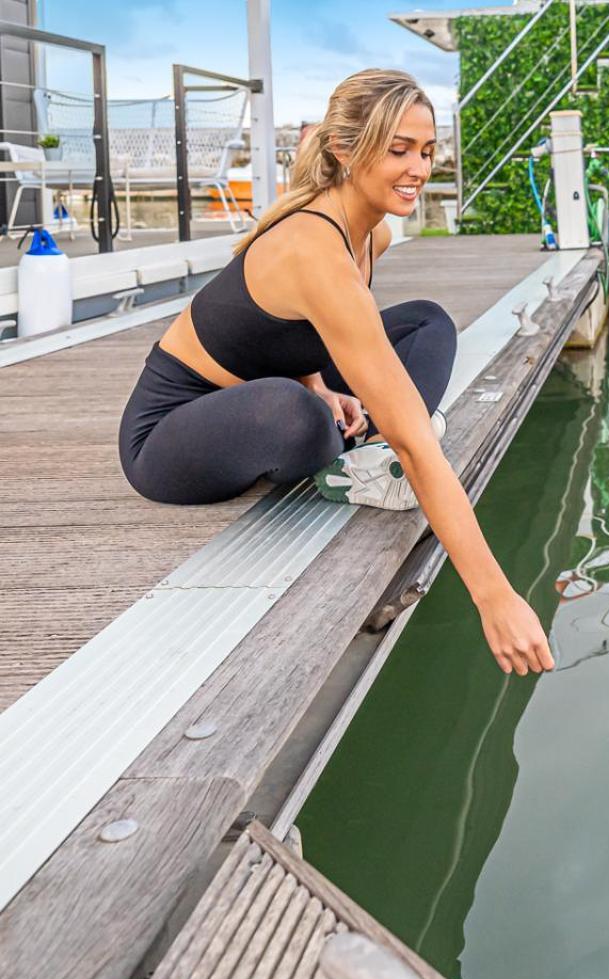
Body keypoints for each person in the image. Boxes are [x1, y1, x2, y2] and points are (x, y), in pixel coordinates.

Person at [117, 69, 554, 676]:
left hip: (267, 389)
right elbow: (408, 436)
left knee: (426, 321)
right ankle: (361, 456)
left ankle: (362, 446)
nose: (419, 169)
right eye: (398, 150)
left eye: (427, 152)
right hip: (169, 436)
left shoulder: (372, 230)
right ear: (345, 151)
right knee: (303, 421)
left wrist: (319, 383)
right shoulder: (311, 247)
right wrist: (495, 597)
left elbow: (287, 337)